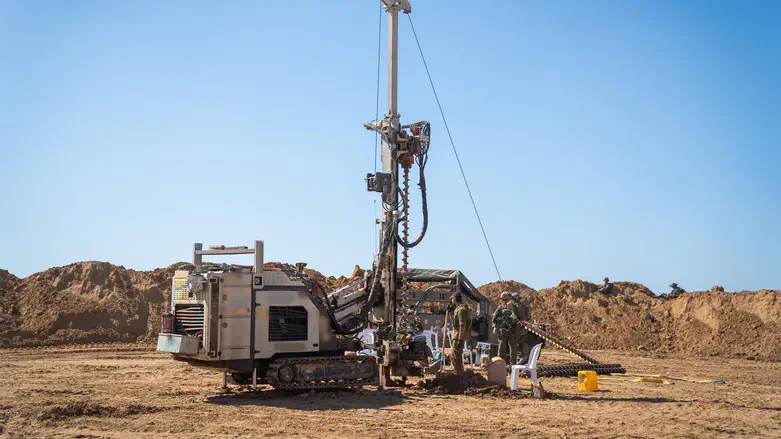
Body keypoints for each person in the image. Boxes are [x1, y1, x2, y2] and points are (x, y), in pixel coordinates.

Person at [492, 292, 519, 366]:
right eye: (503, 299)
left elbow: (517, 319)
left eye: (505, 299)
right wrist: (494, 327)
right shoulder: (500, 308)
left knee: (513, 349)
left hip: (512, 331)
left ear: (509, 299)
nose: (504, 301)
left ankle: (513, 365)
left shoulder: (514, 308)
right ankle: (499, 365)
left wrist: (511, 309)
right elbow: (494, 318)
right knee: (501, 348)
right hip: (503, 331)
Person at [450, 293, 471, 377]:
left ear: (455, 298)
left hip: (458, 335)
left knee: (456, 356)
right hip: (456, 335)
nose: (451, 300)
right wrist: (450, 313)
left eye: (452, 298)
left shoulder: (461, 310)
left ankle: (459, 374)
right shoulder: (457, 309)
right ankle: (458, 373)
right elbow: (455, 323)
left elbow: (462, 325)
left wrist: (460, 338)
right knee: (454, 356)